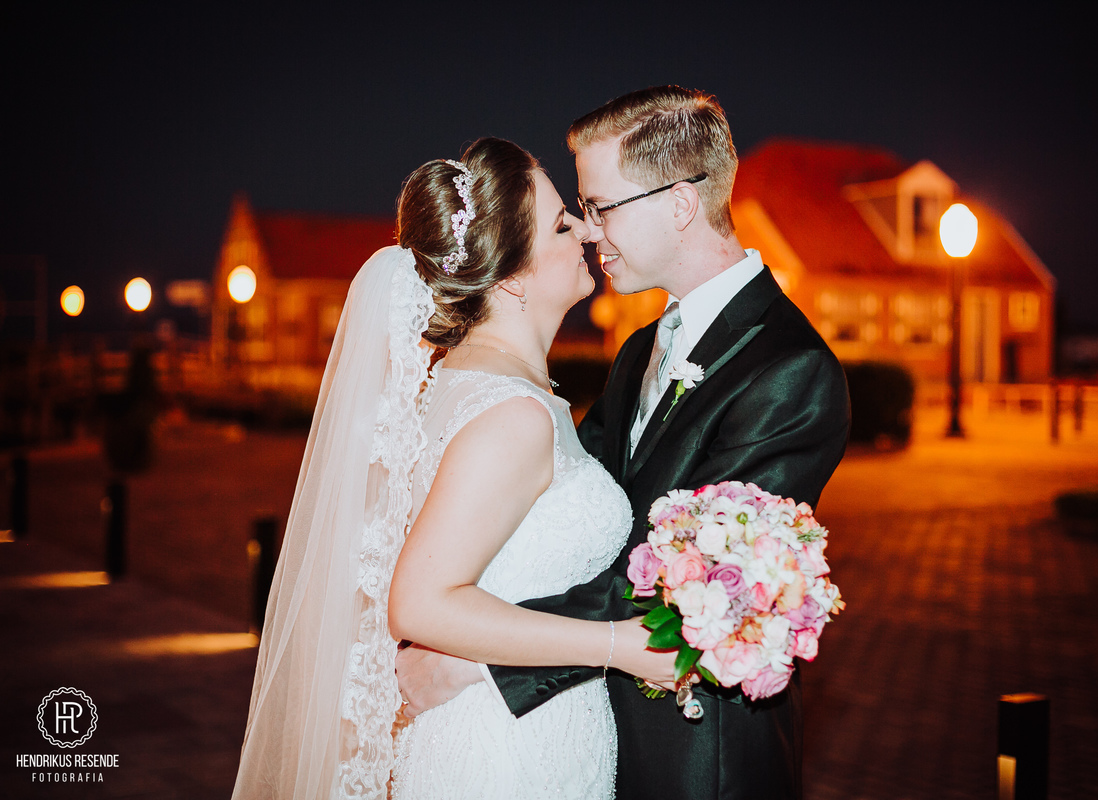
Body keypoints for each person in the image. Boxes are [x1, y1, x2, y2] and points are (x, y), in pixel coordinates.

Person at [395, 87, 851, 799]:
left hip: (700, 760)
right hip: (589, 741)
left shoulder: (791, 370)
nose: (587, 228)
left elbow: (687, 584)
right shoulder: (639, 351)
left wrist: (484, 662)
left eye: (601, 205)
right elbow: (571, 525)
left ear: (678, 204)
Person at [231, 137, 675, 800]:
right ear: (509, 276)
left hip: (516, 732)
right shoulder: (513, 416)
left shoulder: (465, 386)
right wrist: (616, 643)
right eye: (561, 223)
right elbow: (422, 601)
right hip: (505, 758)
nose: (586, 228)